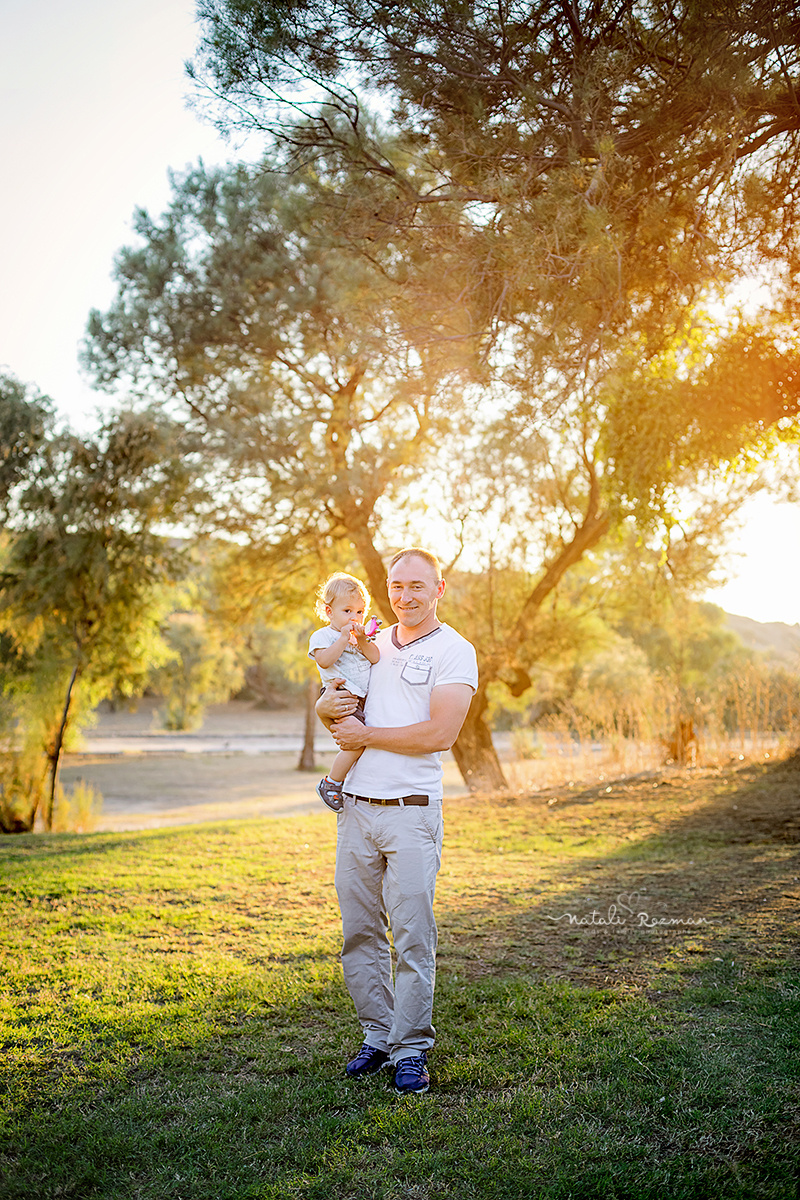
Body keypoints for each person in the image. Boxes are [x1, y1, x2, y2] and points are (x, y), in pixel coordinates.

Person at [316, 548, 477, 1096]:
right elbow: (333, 701)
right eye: (396, 585)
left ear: (439, 587)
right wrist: (325, 710)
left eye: (416, 585)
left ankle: (411, 1050)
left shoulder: (456, 651)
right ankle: (378, 1036)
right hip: (356, 810)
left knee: (411, 936)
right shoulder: (369, 642)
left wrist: (366, 737)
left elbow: (440, 734)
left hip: (411, 813)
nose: (405, 596)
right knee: (359, 934)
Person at [308, 572, 381, 812]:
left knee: (360, 741)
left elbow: (375, 657)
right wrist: (342, 639)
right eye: (347, 611)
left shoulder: (359, 638)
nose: (354, 617)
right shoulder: (324, 636)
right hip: (339, 696)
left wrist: (362, 641)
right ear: (330, 612)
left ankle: (345, 783)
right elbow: (325, 661)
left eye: (359, 612)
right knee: (355, 744)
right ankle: (331, 783)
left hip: (359, 698)